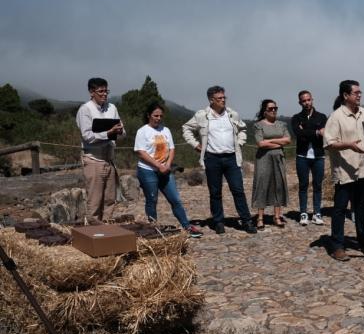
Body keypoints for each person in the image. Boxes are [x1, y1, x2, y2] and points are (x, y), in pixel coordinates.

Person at [324, 80, 364, 261]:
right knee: (340, 209)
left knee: (361, 207)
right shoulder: (336, 117)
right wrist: (349, 145)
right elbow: (329, 143)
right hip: (345, 171)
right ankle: (337, 245)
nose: (359, 95)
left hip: (363, 169)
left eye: (360, 92)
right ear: (345, 95)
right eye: (356, 93)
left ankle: (363, 239)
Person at [182, 85, 258, 234]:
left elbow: (243, 130)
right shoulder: (202, 115)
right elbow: (186, 128)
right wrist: (195, 144)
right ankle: (218, 222)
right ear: (211, 100)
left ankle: (247, 221)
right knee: (215, 192)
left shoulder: (232, 114)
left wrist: (240, 143)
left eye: (224, 97)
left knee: (238, 190)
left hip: (231, 158)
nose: (223, 100)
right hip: (212, 158)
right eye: (219, 98)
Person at [133, 103, 202, 237]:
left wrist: (167, 165)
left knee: (175, 199)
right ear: (149, 115)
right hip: (148, 170)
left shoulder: (166, 130)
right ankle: (153, 228)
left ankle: (187, 226)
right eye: (155, 115)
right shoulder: (142, 131)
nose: (158, 118)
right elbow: (141, 152)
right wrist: (158, 166)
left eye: (160, 116)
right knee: (152, 200)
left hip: (165, 170)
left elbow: (171, 149)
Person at [76, 77, 123, 221]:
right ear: (91, 92)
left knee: (110, 199)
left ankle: (107, 230)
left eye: (106, 91)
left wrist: (120, 131)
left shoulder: (112, 108)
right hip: (93, 160)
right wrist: (108, 133)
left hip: (109, 160)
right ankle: (94, 234)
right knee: (95, 201)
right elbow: (87, 136)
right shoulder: (85, 110)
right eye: (100, 91)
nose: (104, 94)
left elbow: (122, 132)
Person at [251, 99, 291, 229]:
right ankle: (260, 217)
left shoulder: (282, 124)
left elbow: (288, 140)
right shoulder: (259, 125)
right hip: (263, 159)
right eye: (270, 109)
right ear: (264, 111)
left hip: (279, 158)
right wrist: (278, 142)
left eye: (275, 108)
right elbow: (260, 143)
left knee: (278, 185)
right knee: (262, 185)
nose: (273, 110)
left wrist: (271, 140)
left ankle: (277, 216)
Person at [291, 90, 328, 226]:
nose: (306, 102)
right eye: (303, 101)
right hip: (302, 156)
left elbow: (325, 133)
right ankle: (303, 212)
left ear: (312, 100)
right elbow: (298, 134)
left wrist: (306, 130)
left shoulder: (322, 117)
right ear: (300, 102)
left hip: (318, 156)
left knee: (318, 185)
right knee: (303, 185)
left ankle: (317, 212)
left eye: (308, 100)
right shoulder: (296, 118)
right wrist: (317, 131)